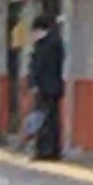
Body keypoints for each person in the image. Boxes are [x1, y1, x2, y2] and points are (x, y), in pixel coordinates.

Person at [28, 16, 65, 160]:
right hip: (54, 88)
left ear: (39, 30)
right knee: (52, 120)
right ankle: (53, 150)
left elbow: (38, 67)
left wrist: (34, 84)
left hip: (45, 88)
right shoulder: (56, 43)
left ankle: (45, 150)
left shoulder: (44, 46)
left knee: (43, 120)